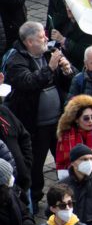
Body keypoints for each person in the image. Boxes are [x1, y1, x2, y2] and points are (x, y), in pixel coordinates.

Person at [5, 21, 73, 207]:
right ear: (29, 42)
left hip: (58, 122)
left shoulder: (50, 53)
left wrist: (67, 71)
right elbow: (29, 83)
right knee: (35, 166)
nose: (46, 40)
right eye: (41, 37)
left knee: (65, 161)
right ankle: (33, 203)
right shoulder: (16, 61)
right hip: (36, 126)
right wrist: (50, 68)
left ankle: (67, 198)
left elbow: (68, 82)